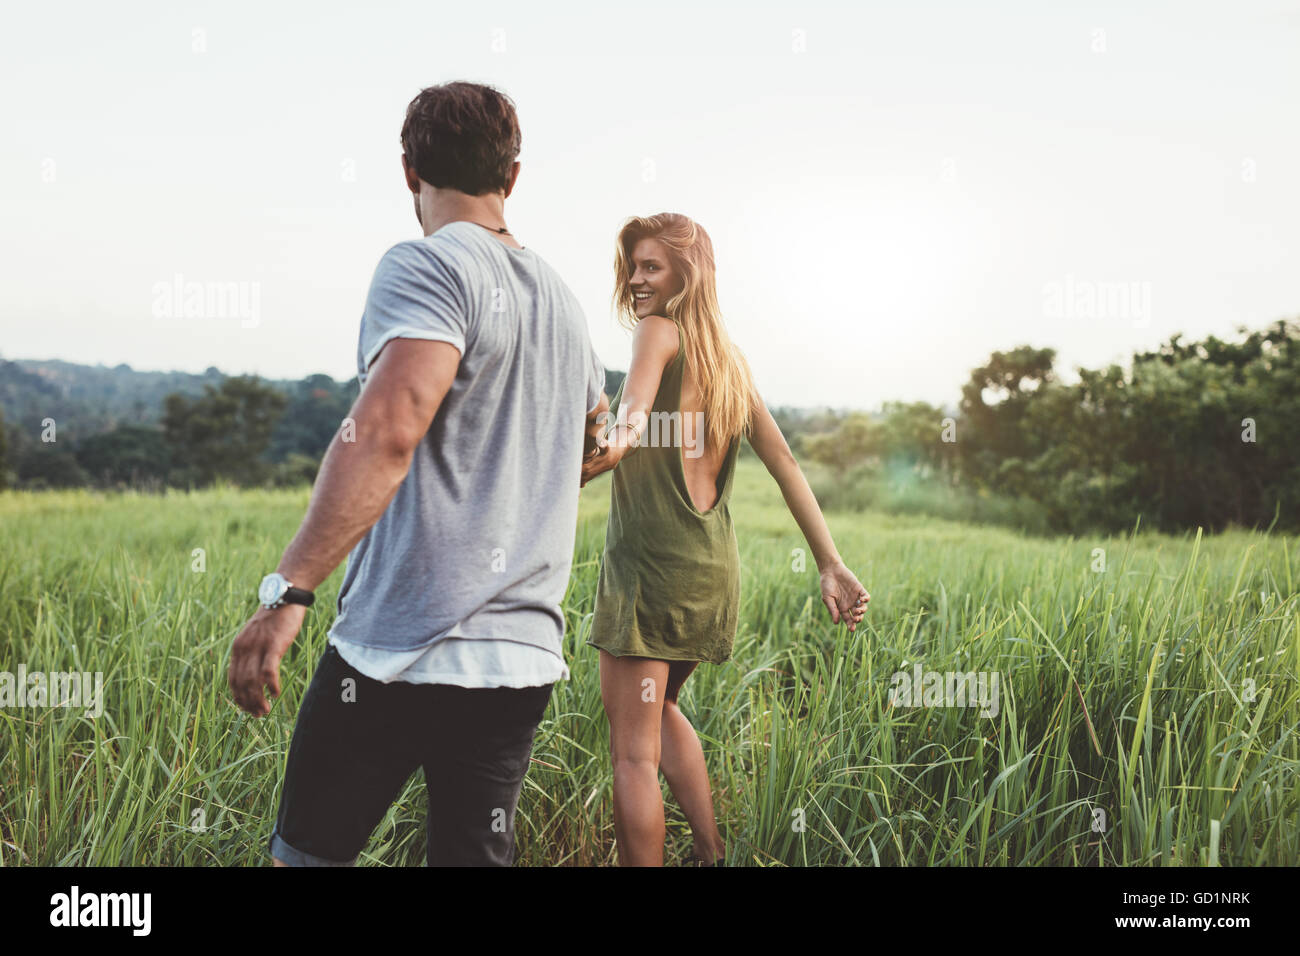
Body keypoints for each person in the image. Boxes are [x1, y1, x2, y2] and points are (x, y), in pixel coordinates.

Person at [227, 81, 609, 866]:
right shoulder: (569, 308)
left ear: (409, 172)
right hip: (519, 660)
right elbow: (589, 451)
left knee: (307, 857)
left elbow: (387, 432)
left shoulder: (427, 266)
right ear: (513, 176)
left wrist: (290, 590)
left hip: (398, 652)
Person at [580, 213, 870, 867]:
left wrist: (596, 449)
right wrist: (831, 563)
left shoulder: (657, 333)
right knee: (662, 708)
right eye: (633, 266)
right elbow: (786, 462)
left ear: (687, 275)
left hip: (650, 574)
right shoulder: (728, 361)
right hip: (710, 575)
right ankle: (710, 854)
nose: (636, 279)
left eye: (651, 266)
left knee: (632, 754)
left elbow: (627, 425)